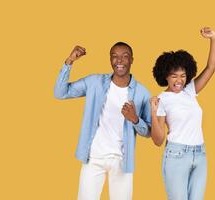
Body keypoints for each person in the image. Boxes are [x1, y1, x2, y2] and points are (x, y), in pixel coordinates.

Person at [54, 42, 151, 200]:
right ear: (110, 60)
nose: (119, 60)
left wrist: (135, 119)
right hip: (93, 157)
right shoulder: (94, 82)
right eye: (115, 56)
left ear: (132, 60)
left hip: (122, 161)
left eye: (124, 56)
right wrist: (69, 61)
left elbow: (149, 132)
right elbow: (60, 93)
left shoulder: (142, 93)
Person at [150, 27, 215, 200]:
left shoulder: (190, 90)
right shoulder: (162, 99)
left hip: (200, 154)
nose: (179, 80)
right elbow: (158, 140)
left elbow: (211, 67)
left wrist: (214, 39)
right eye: (174, 76)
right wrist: (153, 111)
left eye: (182, 75)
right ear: (165, 76)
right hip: (177, 155)